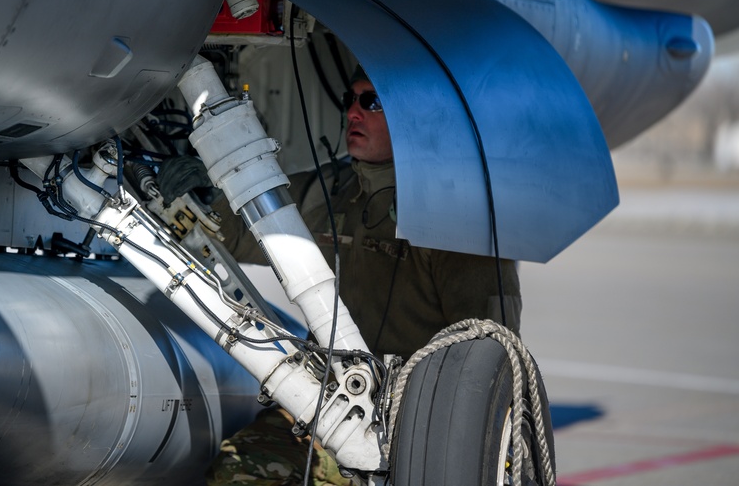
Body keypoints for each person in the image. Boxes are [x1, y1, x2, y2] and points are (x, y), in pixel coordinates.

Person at [205, 66, 521, 486]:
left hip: (409, 424)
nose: (353, 113)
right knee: (238, 470)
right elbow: (234, 230)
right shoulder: (329, 192)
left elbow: (489, 351)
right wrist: (197, 192)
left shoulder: (455, 221)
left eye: (372, 102)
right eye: (349, 100)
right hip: (322, 409)